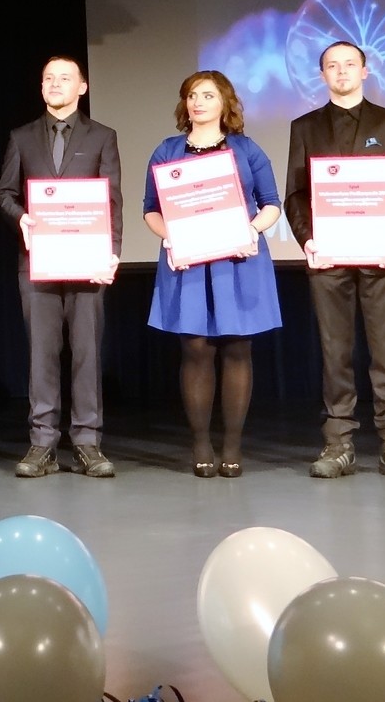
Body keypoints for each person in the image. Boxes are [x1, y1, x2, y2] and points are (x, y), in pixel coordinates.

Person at [284, 40, 385, 481]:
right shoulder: (305, 126)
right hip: (328, 257)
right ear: (322, 75)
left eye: (350, 64)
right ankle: (338, 444)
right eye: (333, 65)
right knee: (336, 353)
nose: (342, 71)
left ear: (365, 71)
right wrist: (308, 239)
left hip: (382, 255)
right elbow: (296, 193)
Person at [142, 70, 280, 478]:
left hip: (237, 260)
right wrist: (172, 236)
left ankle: (233, 445)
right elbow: (150, 209)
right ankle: (201, 443)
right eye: (191, 95)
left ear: (224, 103)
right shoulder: (167, 151)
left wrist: (250, 230)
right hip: (188, 262)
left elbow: (271, 203)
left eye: (207, 95)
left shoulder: (247, 149)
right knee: (196, 349)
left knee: (237, 348)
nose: (198, 102)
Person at [0, 56, 122, 478]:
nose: (55, 84)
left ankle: (87, 442)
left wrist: (112, 253)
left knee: (86, 353)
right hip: (39, 262)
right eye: (48, 78)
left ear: (82, 87)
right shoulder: (22, 137)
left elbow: (112, 200)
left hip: (88, 262)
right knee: (42, 354)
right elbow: (4, 193)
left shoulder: (102, 136)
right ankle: (42, 444)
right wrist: (21, 217)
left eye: (64, 78)